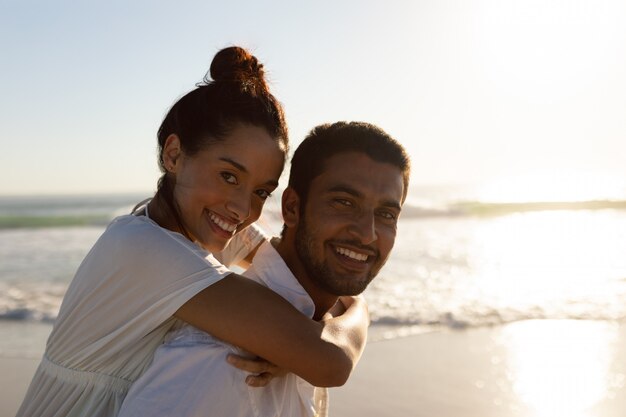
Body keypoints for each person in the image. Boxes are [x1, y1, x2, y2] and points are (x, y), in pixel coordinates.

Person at [16, 47, 370, 417]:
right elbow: (330, 362)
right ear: (173, 154)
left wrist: (294, 347)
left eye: (261, 192)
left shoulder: (191, 228)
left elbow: (289, 271)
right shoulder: (145, 249)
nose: (242, 208)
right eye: (229, 176)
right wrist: (357, 308)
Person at [117, 121, 411, 417]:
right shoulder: (218, 364)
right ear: (292, 208)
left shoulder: (313, 331)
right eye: (344, 203)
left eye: (386, 214)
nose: (367, 233)